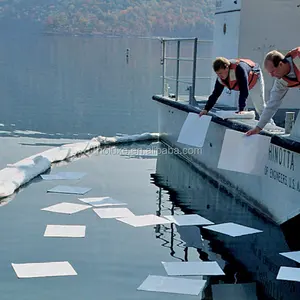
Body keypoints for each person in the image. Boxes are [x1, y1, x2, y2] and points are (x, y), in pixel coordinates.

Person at [246, 47, 300, 136]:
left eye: (273, 71)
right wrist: (258, 128)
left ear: (281, 64)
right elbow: (272, 104)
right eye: (270, 73)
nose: (272, 76)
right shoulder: (280, 82)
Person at [199, 57, 270, 120]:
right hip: (244, 85)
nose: (219, 76)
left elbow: (244, 90)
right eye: (217, 74)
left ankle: (271, 125)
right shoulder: (220, 78)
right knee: (240, 110)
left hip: (254, 80)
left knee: (260, 107)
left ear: (227, 67)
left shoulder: (239, 69)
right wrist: (206, 109)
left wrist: (241, 108)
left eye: (220, 73)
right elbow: (215, 94)